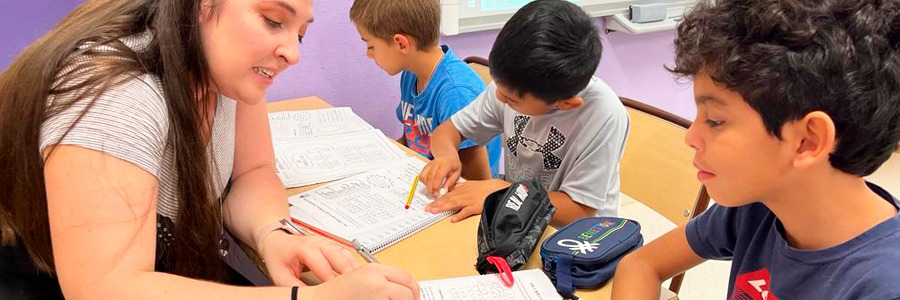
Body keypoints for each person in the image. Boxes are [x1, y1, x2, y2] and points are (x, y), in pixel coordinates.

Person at [0, 0, 420, 299]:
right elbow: (105, 286)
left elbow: (252, 172)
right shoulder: (118, 94)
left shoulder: (227, 76)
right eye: (273, 20)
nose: (292, 52)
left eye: (302, 33)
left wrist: (272, 233)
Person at [611, 0, 900, 299]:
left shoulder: (882, 286)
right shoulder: (759, 206)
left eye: (715, 120)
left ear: (807, 141)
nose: (691, 137)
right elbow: (641, 264)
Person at [418, 0, 629, 227]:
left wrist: (502, 192)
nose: (499, 98)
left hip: (578, 238)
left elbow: (580, 211)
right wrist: (446, 155)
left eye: (511, 100)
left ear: (565, 103)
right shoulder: (512, 83)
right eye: (499, 88)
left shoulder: (604, 115)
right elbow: (447, 132)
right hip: (516, 217)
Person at [349, 0, 502, 180]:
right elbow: (412, 139)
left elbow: (476, 183)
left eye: (370, 46)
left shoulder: (456, 92)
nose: (368, 55)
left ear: (401, 44)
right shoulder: (410, 73)